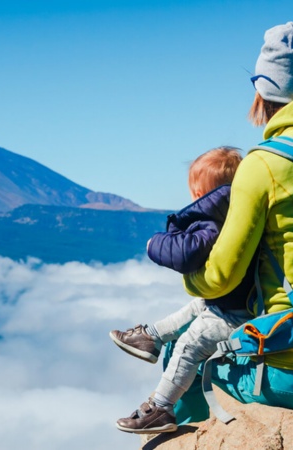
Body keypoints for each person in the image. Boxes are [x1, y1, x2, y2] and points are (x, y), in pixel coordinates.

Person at [180, 21, 293, 422]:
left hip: (285, 373)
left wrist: (191, 282)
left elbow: (221, 278)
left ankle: (178, 426)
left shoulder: (261, 164)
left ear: (262, 90)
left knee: (181, 346)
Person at [110, 146, 256, 434]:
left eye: (196, 192)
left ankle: (161, 408)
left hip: (237, 314)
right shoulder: (242, 215)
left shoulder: (216, 221)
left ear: (205, 193)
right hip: (237, 302)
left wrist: (156, 243)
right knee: (199, 305)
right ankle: (151, 337)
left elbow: (187, 253)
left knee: (189, 344)